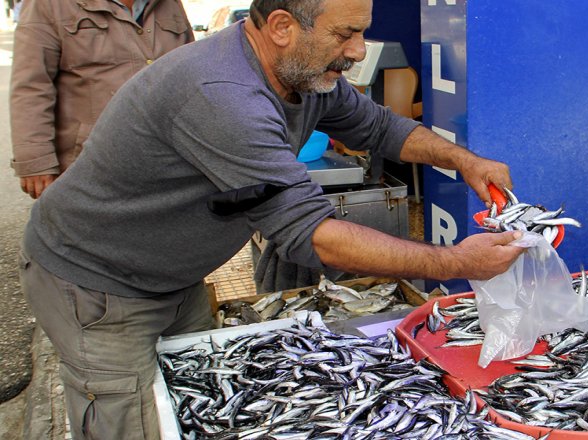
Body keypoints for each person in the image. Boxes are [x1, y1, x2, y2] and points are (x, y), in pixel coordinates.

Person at [18, 0, 525, 438]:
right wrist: (454, 261)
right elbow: (312, 234)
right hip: (96, 284)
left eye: (361, 31)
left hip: (175, 276)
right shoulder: (223, 95)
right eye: (346, 33)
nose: (357, 50)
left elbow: (380, 127)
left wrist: (464, 160)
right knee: (132, 421)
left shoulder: (304, 73)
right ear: (282, 26)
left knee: (199, 398)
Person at [10, 0, 195, 199]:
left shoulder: (170, 3)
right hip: (91, 163)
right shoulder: (48, 5)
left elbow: (192, 75)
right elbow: (32, 85)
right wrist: (36, 162)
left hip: (166, 160)